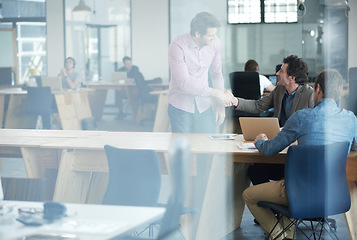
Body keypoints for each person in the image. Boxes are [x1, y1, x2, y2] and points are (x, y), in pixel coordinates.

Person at [242, 69, 357, 240]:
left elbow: (269, 150)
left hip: (298, 191)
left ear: (317, 89)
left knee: (248, 195)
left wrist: (259, 140)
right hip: (335, 193)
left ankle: (278, 236)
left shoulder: (301, 117)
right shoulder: (351, 119)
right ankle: (286, 232)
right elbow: (353, 145)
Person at [232, 55, 314, 189]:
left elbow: (314, 125)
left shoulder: (309, 95)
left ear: (292, 78)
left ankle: (284, 203)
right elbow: (258, 106)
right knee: (254, 171)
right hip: (279, 146)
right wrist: (236, 102)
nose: (277, 73)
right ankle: (273, 208)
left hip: (297, 152)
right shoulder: (279, 90)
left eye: (281, 71)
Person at [168, 12, 234, 133]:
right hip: (181, 106)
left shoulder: (215, 43)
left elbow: (216, 73)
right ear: (198, 34)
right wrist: (217, 93)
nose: (214, 38)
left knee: (208, 146)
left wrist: (220, 104)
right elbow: (185, 83)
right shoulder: (177, 46)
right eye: (210, 35)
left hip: (204, 106)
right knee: (183, 149)